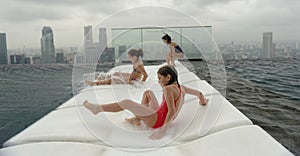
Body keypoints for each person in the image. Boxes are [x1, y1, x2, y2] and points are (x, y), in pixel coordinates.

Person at [83, 65, 209, 140]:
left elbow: (172, 111)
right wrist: (203, 102)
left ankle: (98, 109)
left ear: (168, 77)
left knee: (126, 102)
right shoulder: (183, 88)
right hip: (158, 114)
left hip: (157, 120)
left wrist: (162, 131)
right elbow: (199, 94)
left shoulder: (168, 89)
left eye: (160, 78)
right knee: (148, 92)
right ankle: (137, 119)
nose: (159, 81)